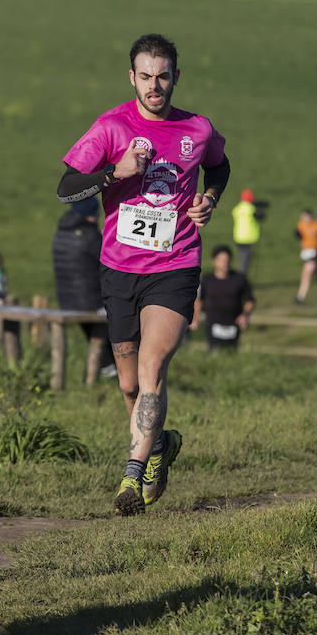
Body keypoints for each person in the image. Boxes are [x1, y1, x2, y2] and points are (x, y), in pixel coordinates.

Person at [57, 33, 230, 515]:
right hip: (119, 269)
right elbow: (66, 188)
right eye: (147, 76)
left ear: (176, 77)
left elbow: (220, 166)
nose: (156, 86)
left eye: (164, 76)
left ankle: (131, 476)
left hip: (175, 264)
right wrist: (115, 172)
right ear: (132, 76)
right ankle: (158, 445)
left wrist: (209, 199)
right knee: (129, 385)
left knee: (154, 366)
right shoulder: (111, 126)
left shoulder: (196, 129)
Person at [51, 197, 115, 375]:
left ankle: (106, 368)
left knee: (97, 332)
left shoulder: (61, 232)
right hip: (92, 302)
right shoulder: (90, 235)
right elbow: (107, 262)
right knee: (116, 324)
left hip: (67, 301)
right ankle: (110, 369)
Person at [191, 244, 255, 351]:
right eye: (221, 260)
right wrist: (195, 317)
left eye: (227, 260)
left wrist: (245, 315)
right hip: (213, 323)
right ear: (214, 261)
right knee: (214, 353)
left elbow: (250, 300)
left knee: (231, 354)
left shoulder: (240, 279)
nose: (225, 263)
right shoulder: (207, 280)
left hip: (234, 324)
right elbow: (199, 300)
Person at [294, 208, 317, 304]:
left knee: (307, 272)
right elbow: (298, 234)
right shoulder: (301, 225)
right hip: (305, 253)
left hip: (315, 253)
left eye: (306, 217)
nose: (304, 219)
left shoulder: (316, 225)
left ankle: (300, 297)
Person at [231, 188, 261, 276]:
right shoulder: (252, 209)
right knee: (246, 261)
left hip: (239, 237)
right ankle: (242, 277)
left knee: (241, 258)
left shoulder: (237, 209)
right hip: (249, 238)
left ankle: (242, 275)